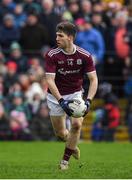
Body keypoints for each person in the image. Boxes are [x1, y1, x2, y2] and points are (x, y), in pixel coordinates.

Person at [45, 21, 98, 170]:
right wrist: (61, 101)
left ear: (70, 37)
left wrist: (88, 101)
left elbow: (94, 80)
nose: (57, 38)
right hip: (55, 97)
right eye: (56, 35)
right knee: (61, 134)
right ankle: (72, 145)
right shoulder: (51, 55)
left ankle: (64, 162)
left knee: (76, 124)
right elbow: (49, 80)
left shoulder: (85, 56)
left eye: (60, 36)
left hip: (75, 93)